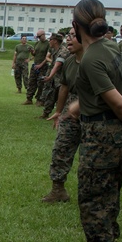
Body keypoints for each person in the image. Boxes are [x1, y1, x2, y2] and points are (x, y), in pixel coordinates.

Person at [63, 0, 122, 242]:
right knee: (108, 194)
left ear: (76, 26)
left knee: (93, 196)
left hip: (102, 134)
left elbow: (118, 101)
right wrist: (77, 107)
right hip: (113, 132)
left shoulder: (90, 58)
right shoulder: (110, 46)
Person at [42, 29, 82, 203]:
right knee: (61, 148)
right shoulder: (70, 61)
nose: (69, 39)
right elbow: (64, 87)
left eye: (73, 36)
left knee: (90, 157)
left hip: (94, 111)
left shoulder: (97, 61)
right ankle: (58, 190)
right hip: (69, 109)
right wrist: (59, 111)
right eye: (69, 36)